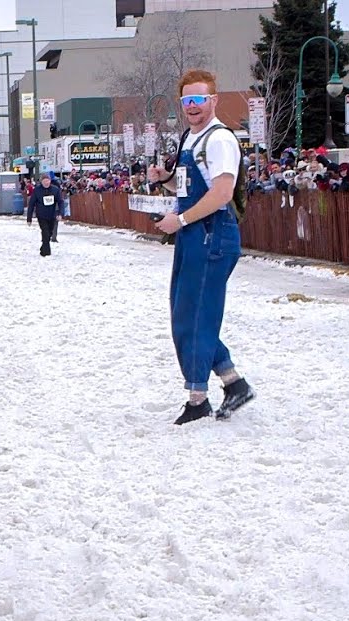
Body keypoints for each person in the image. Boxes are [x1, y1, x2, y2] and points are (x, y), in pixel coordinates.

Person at [147, 68, 255, 424]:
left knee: (195, 316)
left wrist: (179, 221)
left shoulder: (219, 140)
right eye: (187, 100)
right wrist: (164, 181)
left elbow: (222, 194)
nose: (193, 107)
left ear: (214, 100)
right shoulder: (189, 138)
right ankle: (232, 381)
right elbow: (187, 188)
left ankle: (198, 397)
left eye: (199, 99)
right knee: (186, 313)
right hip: (194, 234)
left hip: (212, 234)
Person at [26, 174, 61, 257]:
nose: (46, 183)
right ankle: (46, 252)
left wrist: (60, 213)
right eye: (44, 181)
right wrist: (29, 218)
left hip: (52, 215)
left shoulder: (55, 190)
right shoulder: (37, 190)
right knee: (45, 232)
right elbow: (31, 204)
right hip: (41, 215)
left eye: (47, 181)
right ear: (41, 182)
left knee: (49, 233)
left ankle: (43, 248)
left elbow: (60, 202)